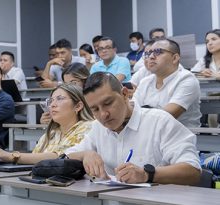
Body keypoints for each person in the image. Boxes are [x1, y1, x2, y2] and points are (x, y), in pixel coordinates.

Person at [65, 72, 201, 185]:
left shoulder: (160, 122)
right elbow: (67, 156)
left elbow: (192, 171)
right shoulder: (97, 127)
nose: (103, 115)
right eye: (95, 109)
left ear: (125, 94)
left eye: (108, 103)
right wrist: (85, 154)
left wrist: (147, 174)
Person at [0, 84, 97, 164]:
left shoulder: (88, 127)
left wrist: (11, 156)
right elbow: (34, 158)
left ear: (78, 106)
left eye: (60, 99)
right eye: (51, 101)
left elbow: (60, 158)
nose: (52, 105)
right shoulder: (52, 133)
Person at [133, 39, 201, 128]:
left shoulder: (187, 79)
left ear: (175, 58)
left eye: (158, 52)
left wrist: (140, 113)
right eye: (148, 53)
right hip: (147, 133)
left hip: (180, 137)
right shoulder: (145, 81)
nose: (151, 57)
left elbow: (165, 117)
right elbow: (131, 111)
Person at [191, 29, 220, 127]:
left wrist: (218, 75)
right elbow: (191, 74)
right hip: (212, 98)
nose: (210, 43)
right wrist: (201, 73)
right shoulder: (205, 60)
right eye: (207, 41)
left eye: (213, 39)